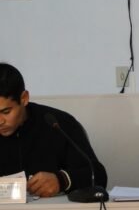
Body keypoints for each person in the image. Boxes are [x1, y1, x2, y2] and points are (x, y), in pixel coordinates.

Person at [0, 63, 107, 197]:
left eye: (6, 112)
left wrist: (62, 180)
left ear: (24, 98)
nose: (0, 121)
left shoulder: (57, 124)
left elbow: (98, 175)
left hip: (50, 209)